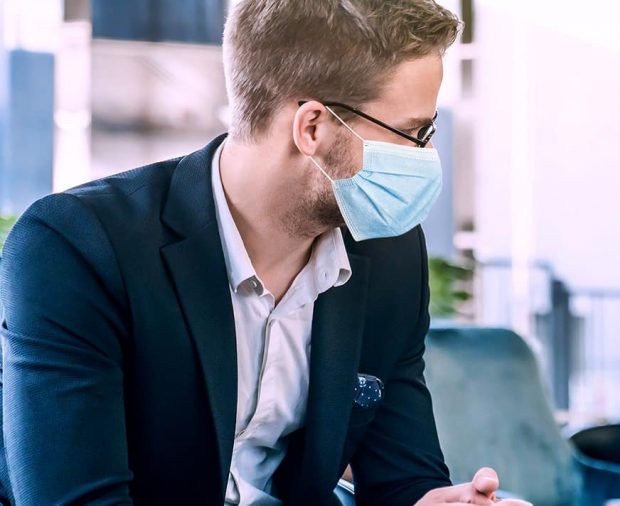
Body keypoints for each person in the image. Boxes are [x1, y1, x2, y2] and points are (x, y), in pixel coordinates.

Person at [0, 1, 528, 504]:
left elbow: (400, 473)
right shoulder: (76, 247)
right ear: (313, 128)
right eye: (413, 132)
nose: (427, 155)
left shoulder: (388, 251)